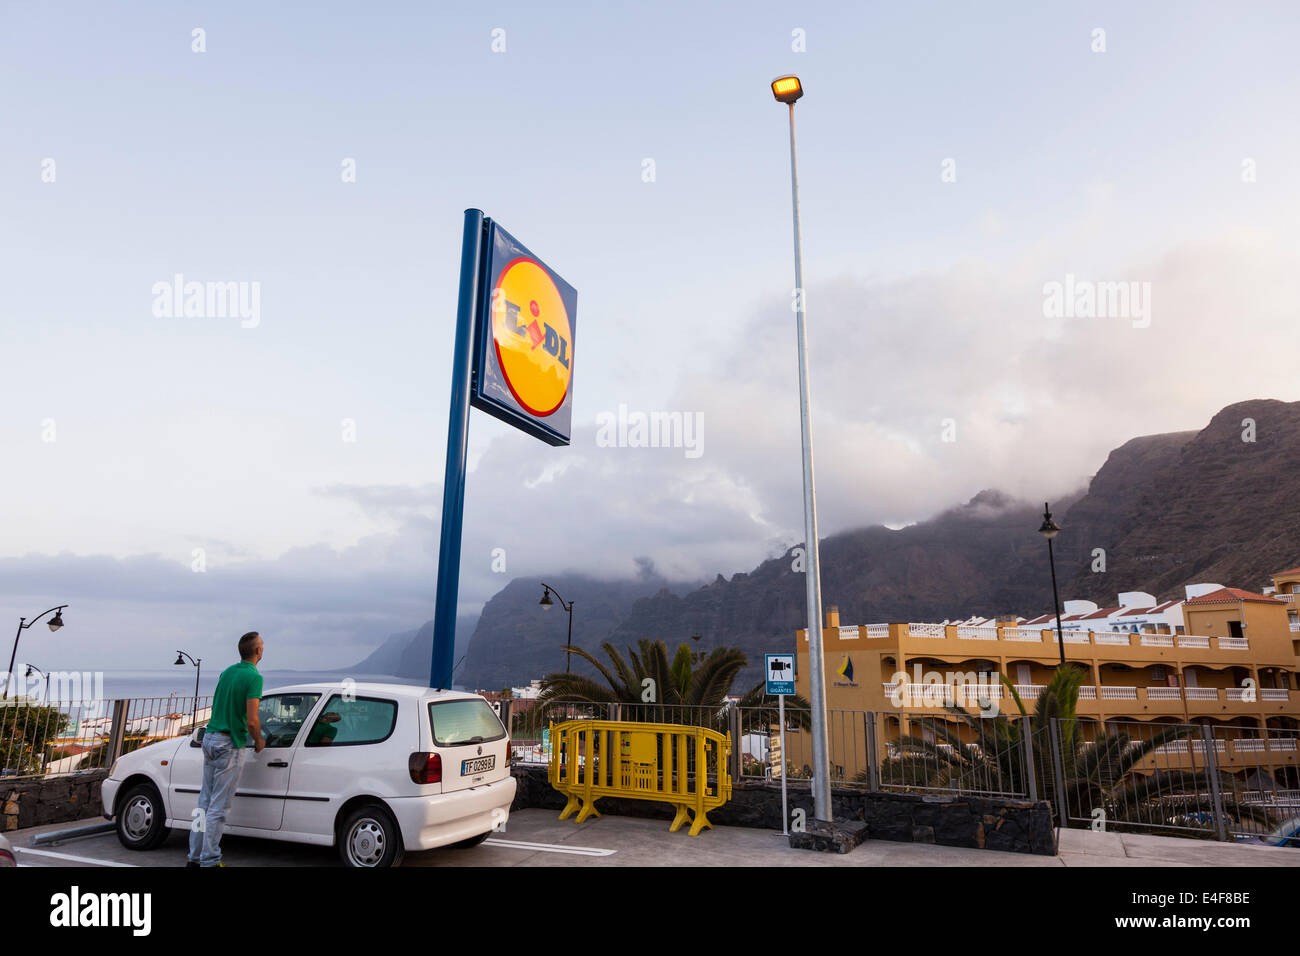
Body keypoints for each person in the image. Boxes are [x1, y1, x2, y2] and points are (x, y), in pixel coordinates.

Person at [187, 631, 264, 867]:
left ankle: (194, 857)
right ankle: (210, 860)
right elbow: (252, 720)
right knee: (219, 808)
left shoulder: (227, 672)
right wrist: (259, 740)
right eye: (262, 646)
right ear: (258, 651)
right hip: (229, 745)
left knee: (204, 803)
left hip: (210, 738)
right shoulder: (254, 678)